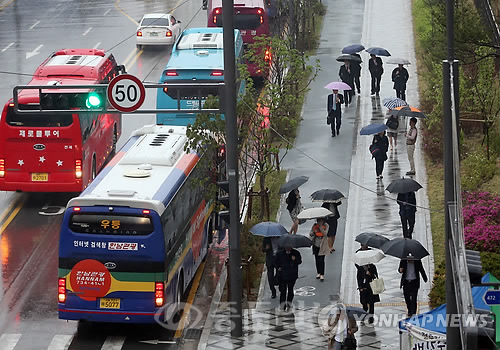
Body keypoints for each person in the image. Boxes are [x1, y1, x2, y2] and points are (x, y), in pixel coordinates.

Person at [355, 245, 380, 323]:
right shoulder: (360, 269)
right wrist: (360, 287)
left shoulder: (372, 267)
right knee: (364, 302)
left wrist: (370, 274)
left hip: (370, 286)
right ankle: (364, 313)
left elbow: (375, 276)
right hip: (363, 287)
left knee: (371, 302)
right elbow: (359, 278)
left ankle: (371, 317)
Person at [275, 245, 302, 312]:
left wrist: (295, 259)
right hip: (282, 275)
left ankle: (289, 303)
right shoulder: (280, 253)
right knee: (283, 290)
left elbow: (299, 261)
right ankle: (282, 305)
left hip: (292, 275)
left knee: (290, 289)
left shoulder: (296, 253)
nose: (288, 248)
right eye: (287, 247)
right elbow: (275, 262)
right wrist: (278, 267)